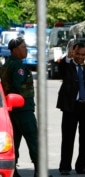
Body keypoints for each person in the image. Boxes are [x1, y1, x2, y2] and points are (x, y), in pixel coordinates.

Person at [0, 37, 51, 177]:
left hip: (12, 108)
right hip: (23, 109)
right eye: (23, 47)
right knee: (34, 139)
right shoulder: (18, 66)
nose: (26, 49)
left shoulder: (7, 64)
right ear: (15, 50)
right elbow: (17, 86)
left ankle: (13, 171)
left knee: (15, 140)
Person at [56, 41, 85, 175]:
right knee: (68, 138)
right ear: (73, 52)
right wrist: (68, 57)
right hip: (70, 107)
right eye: (78, 54)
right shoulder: (67, 65)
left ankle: (81, 165)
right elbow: (62, 69)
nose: (80, 57)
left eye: (83, 55)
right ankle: (65, 166)